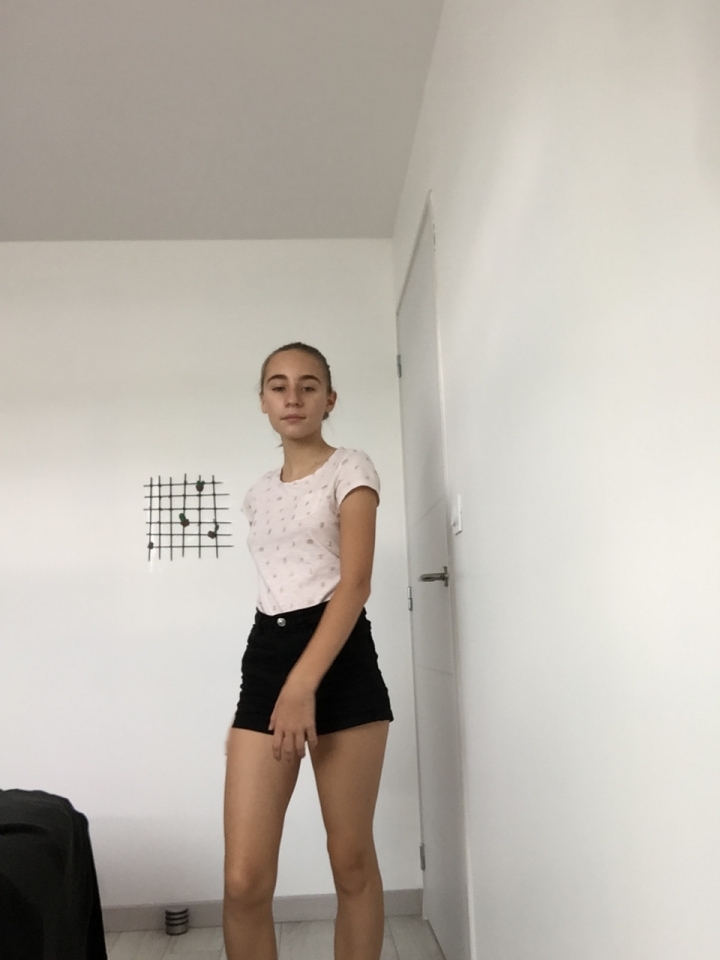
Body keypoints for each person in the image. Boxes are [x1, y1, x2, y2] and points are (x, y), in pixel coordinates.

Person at [223, 342, 394, 960]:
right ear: (263, 401)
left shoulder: (352, 468)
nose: (292, 397)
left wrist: (302, 686)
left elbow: (355, 583)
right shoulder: (257, 493)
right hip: (268, 654)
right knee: (243, 880)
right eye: (278, 385)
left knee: (349, 860)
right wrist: (278, 683)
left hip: (340, 657)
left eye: (308, 385)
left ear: (330, 399)